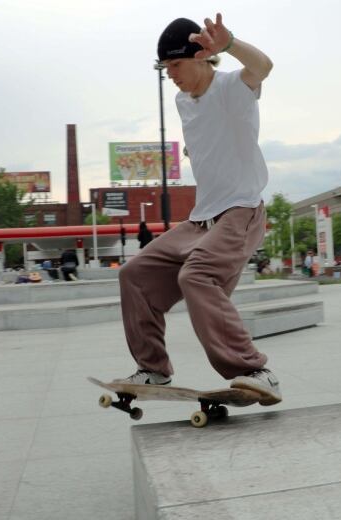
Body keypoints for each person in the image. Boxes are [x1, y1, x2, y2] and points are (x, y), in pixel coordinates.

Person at [115, 14, 280, 405]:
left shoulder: (232, 87)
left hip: (241, 210)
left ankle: (255, 372)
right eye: (165, 69)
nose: (170, 75)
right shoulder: (181, 100)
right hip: (201, 219)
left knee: (197, 275)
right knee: (134, 274)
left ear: (202, 57)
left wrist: (231, 44)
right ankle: (153, 369)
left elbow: (264, 67)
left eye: (175, 65)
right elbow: (209, 137)